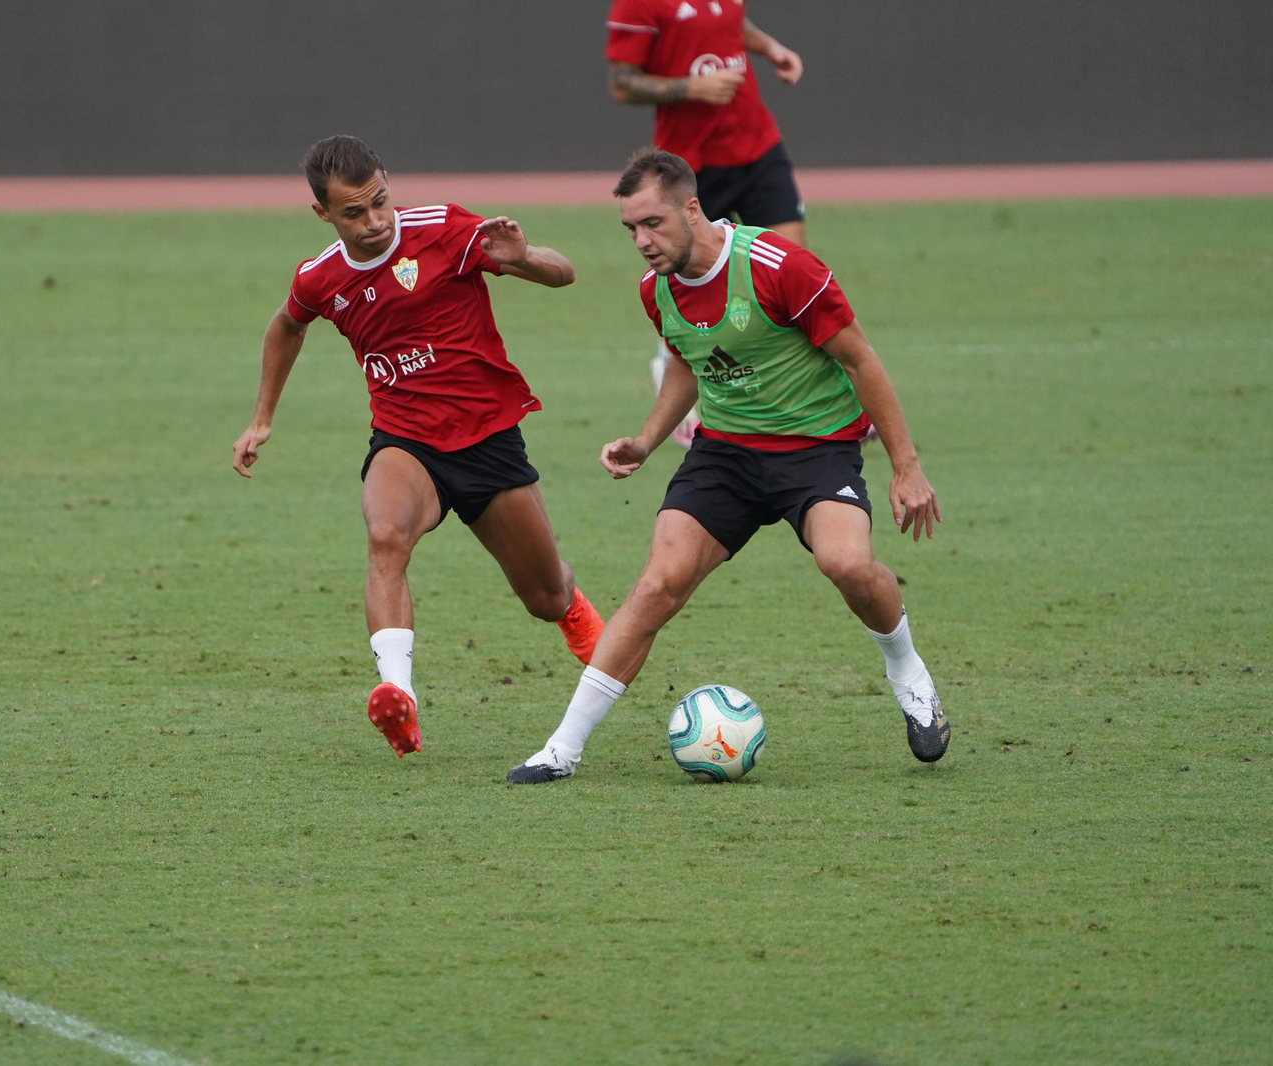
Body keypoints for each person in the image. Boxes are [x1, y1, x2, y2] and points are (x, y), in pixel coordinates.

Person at [507, 150, 948, 784]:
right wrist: (648, 439)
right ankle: (561, 750)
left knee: (847, 564)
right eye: (630, 228)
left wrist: (906, 466)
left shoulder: (780, 266)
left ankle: (906, 669)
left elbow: (861, 360)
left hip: (815, 449)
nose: (641, 241)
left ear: (692, 207)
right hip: (726, 455)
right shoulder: (656, 291)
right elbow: (689, 361)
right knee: (657, 585)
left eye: (652, 223)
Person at [232, 135, 605, 760]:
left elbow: (564, 274)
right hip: (406, 440)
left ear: (388, 182)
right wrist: (261, 419)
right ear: (323, 214)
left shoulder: (446, 229)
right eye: (354, 212)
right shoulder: (320, 277)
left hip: (488, 440)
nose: (375, 221)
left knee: (545, 596)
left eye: (380, 201)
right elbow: (286, 325)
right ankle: (397, 699)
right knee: (385, 535)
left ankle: (580, 621)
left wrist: (525, 257)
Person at [605, 0, 809, 448]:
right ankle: (671, 372)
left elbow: (732, 22)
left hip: (756, 145)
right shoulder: (638, 4)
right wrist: (692, 87)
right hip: (690, 165)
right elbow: (622, 84)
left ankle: (810, 396)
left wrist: (770, 48)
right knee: (689, 278)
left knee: (794, 270)